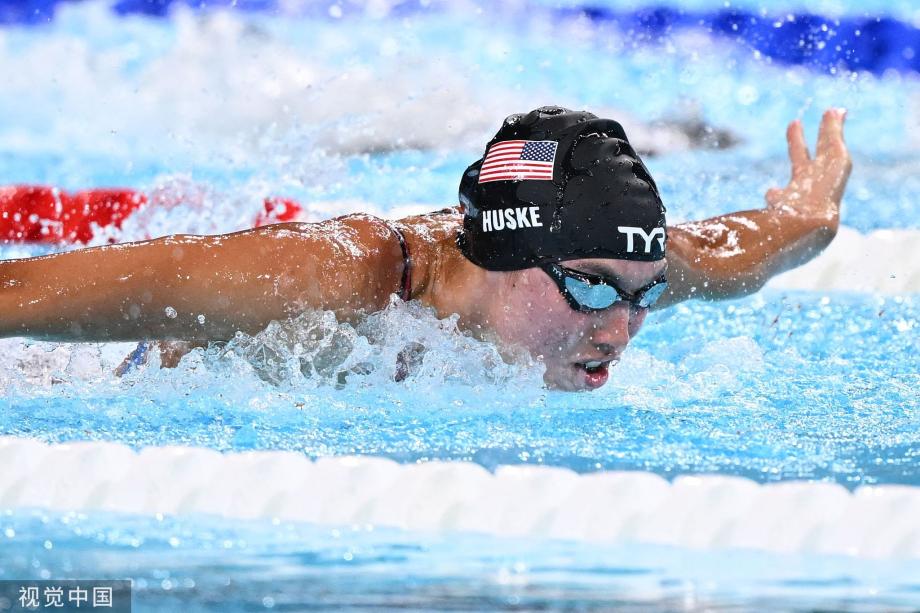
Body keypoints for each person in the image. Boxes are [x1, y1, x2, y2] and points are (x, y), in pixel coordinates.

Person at [0, 106, 851, 391]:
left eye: (646, 295)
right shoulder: (329, 275)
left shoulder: (619, 265)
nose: (623, 329)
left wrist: (807, 221)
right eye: (594, 291)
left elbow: (739, 252)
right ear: (503, 256)